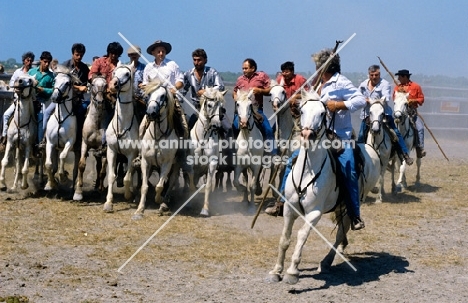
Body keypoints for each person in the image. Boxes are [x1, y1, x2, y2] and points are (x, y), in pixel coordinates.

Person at [275, 49, 367, 231]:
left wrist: (339, 105)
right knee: (291, 160)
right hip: (319, 137)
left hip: (340, 137)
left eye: (317, 66)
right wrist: (298, 102)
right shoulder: (317, 84)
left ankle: (354, 214)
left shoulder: (341, 82)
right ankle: (282, 201)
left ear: (325, 66)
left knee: (349, 171)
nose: (315, 69)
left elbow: (361, 100)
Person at [264, 61, 307, 216]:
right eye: (283, 72)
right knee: (270, 134)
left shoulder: (300, 80)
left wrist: (295, 98)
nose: (285, 74)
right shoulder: (280, 81)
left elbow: (308, 94)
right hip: (282, 117)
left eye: (287, 72)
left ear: (292, 71)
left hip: (299, 118)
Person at [357, 65, 413, 165]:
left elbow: (386, 98)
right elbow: (357, 97)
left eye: (377, 75)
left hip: (384, 114)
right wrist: (363, 100)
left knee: (396, 133)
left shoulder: (385, 84)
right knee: (361, 135)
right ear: (369, 75)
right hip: (367, 115)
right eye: (372, 75)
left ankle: (404, 154)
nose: (374, 77)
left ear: (380, 74)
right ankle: (358, 156)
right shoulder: (363, 85)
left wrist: (369, 100)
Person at [140, 40, 188, 140]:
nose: (161, 53)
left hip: (170, 99)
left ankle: (182, 147)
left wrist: (174, 88)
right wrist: (144, 86)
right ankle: (140, 150)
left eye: (163, 51)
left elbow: (181, 81)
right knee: (142, 127)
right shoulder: (148, 67)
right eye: (158, 51)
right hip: (153, 100)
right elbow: (145, 84)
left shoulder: (172, 64)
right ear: (153, 53)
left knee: (183, 124)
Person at [88, 41, 123, 156]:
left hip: (113, 97)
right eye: (112, 53)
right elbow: (91, 75)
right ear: (108, 52)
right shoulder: (99, 62)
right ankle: (81, 139)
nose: (114, 56)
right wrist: (102, 85)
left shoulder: (120, 66)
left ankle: (105, 143)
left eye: (116, 54)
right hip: (98, 94)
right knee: (83, 112)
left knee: (114, 116)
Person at [232, 58, 275, 152]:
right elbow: (234, 92)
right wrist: (236, 98)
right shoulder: (240, 79)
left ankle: (271, 153)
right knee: (234, 126)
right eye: (243, 68)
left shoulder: (262, 76)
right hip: (242, 110)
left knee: (267, 129)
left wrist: (260, 91)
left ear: (253, 68)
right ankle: (233, 151)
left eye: (246, 68)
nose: (244, 70)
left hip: (256, 109)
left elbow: (271, 90)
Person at [182, 48, 230, 132]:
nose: (196, 63)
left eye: (199, 60)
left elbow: (221, 86)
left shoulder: (212, 72)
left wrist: (206, 92)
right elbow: (183, 91)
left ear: (205, 60)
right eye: (194, 60)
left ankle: (229, 144)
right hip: (198, 109)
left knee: (228, 128)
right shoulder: (188, 74)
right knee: (188, 129)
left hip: (214, 108)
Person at [0, 51, 35, 153]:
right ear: (24, 61)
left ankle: (35, 142)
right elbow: (11, 84)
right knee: (6, 115)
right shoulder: (17, 72)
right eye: (28, 60)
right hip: (17, 101)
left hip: (28, 102)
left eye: (31, 60)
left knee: (36, 118)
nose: (29, 62)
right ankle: (4, 138)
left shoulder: (32, 73)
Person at [393, 69, 426, 158]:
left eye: (399, 76)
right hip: (399, 113)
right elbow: (394, 100)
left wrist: (413, 100)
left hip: (412, 113)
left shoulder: (416, 86)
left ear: (405, 77)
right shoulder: (397, 88)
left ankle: (420, 148)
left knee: (420, 128)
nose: (398, 78)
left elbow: (421, 99)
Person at [28, 51, 55, 156]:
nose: (47, 64)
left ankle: (39, 144)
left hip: (42, 101)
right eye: (45, 61)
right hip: (29, 99)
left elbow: (52, 90)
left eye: (48, 62)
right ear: (40, 60)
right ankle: (5, 137)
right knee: (10, 113)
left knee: (41, 121)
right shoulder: (31, 72)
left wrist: (42, 90)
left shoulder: (51, 76)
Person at [127, 45, 146, 122]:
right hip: (127, 98)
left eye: (135, 54)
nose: (133, 56)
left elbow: (148, 81)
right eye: (131, 54)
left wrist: (144, 85)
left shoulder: (145, 68)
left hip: (141, 99)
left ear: (139, 55)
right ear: (128, 55)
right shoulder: (125, 68)